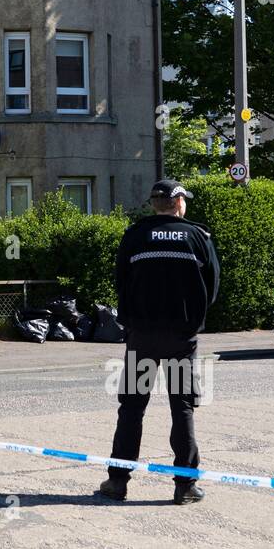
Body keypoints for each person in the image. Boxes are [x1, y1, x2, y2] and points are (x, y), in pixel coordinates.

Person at [99, 179, 220, 504]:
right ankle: (185, 485)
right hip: (181, 337)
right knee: (182, 408)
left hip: (141, 336)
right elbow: (212, 287)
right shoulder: (198, 237)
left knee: (132, 408)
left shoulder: (135, 235)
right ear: (178, 202)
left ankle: (118, 482)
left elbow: (120, 281)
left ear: (154, 204)